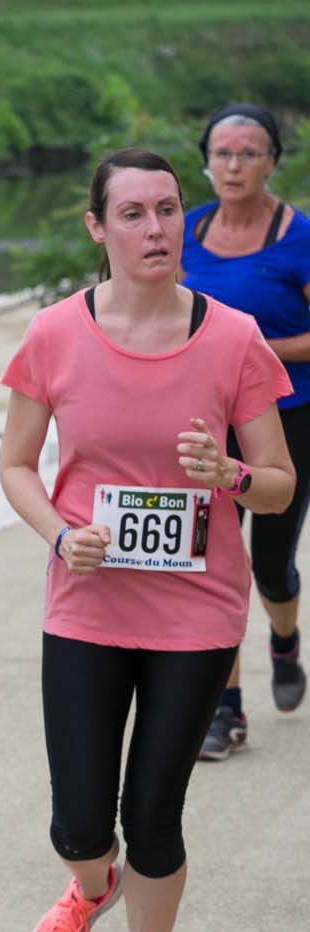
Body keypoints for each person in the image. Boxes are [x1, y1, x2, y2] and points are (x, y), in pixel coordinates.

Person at [0, 148, 293, 932]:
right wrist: (59, 533)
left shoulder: (234, 336)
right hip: (86, 602)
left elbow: (279, 482)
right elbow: (16, 465)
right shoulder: (54, 334)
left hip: (195, 612)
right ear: (98, 227)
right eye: (132, 213)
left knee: (154, 813)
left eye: (168, 209)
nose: (156, 228)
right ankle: (91, 887)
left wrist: (230, 473)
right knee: (80, 823)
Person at [180, 103, 310, 760]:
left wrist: (250, 350)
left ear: (272, 162)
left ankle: (284, 640)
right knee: (212, 562)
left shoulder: (300, 236)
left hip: (289, 417)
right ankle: (225, 708)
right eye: (222, 153)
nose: (234, 165)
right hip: (205, 423)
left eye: (249, 153)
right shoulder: (184, 231)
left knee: (270, 565)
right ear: (207, 162)